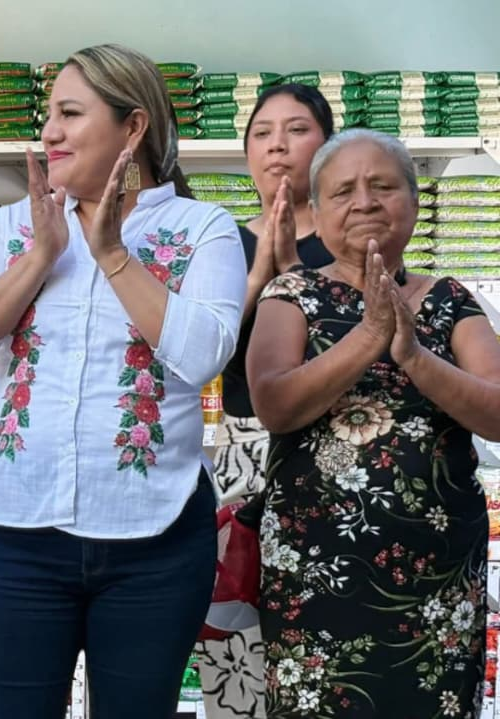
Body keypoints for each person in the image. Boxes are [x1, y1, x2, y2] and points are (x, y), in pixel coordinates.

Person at [0, 44, 247, 719]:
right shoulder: (15, 226)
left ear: (133, 128)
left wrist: (109, 254)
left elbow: (202, 356)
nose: (49, 131)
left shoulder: (203, 229)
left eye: (70, 113)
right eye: (48, 114)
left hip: (156, 544)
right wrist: (41, 255)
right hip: (15, 535)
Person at [247, 129, 500, 718]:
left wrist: (414, 356)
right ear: (320, 209)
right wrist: (368, 337)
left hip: (437, 576)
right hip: (316, 569)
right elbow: (274, 403)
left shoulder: (450, 300)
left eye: (383, 186)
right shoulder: (294, 293)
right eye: (342, 191)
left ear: (413, 202)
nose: (364, 201)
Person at [197, 84, 336, 719]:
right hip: (243, 452)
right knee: (237, 642)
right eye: (262, 132)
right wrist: (261, 280)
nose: (277, 143)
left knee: (331, 634)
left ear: (329, 145)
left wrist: (299, 282)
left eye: (297, 129)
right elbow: (200, 353)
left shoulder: (355, 240)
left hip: (335, 450)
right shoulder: (219, 242)